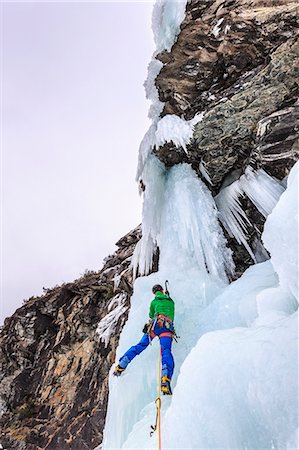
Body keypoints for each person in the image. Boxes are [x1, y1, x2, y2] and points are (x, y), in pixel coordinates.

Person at [113, 284, 175, 395]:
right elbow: (171, 310)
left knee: (140, 346)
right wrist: (168, 297)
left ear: (155, 293)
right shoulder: (171, 301)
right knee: (166, 351)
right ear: (162, 290)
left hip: (155, 325)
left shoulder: (154, 302)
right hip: (167, 327)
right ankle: (165, 379)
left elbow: (151, 315)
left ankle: (121, 365)